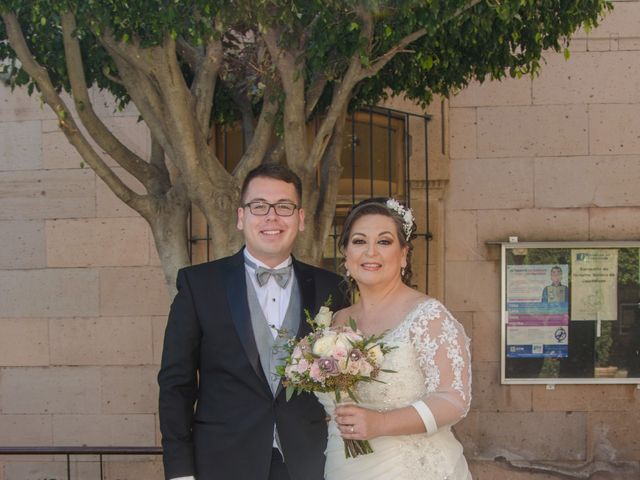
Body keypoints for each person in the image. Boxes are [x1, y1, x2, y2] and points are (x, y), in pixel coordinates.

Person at [158, 164, 348, 480]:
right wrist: (180, 472)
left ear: (300, 219)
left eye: (284, 207)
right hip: (222, 463)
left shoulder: (332, 288)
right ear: (241, 216)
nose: (271, 217)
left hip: (309, 464)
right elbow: (176, 384)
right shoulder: (199, 285)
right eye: (259, 206)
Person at [315, 198, 472, 479]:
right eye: (360, 241)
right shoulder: (337, 322)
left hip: (411, 469)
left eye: (384, 242)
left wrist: (381, 423)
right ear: (346, 254)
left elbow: (453, 400)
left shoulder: (429, 317)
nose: (371, 252)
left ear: (403, 254)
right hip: (345, 466)